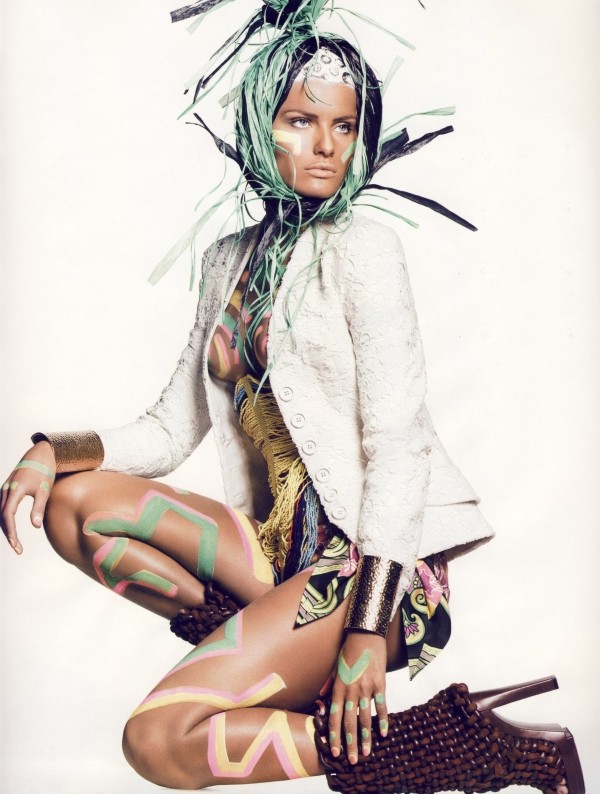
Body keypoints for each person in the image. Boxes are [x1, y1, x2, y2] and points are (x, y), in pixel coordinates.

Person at [0, 2, 585, 793]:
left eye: (343, 126)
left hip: (368, 572)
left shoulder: (363, 251)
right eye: (301, 121)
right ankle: (260, 641)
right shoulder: (227, 260)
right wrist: (50, 452)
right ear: (259, 128)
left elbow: (399, 445)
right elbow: (170, 427)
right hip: (275, 554)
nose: (325, 146)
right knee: (76, 503)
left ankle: (465, 745)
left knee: (159, 741)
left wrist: (367, 630)